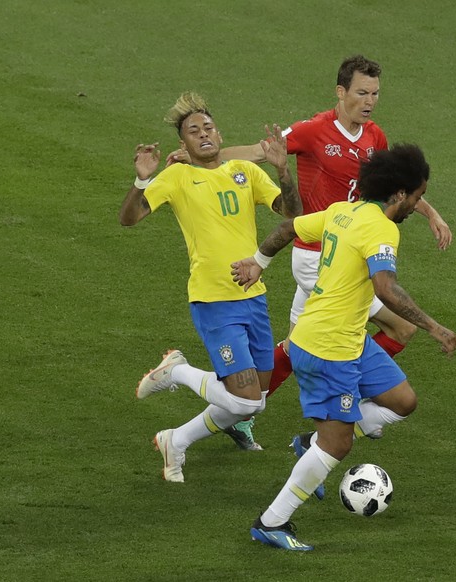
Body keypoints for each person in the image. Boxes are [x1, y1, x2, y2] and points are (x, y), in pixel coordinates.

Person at [230, 144, 456, 550]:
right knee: (338, 444)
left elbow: (289, 229)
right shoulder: (382, 228)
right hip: (326, 348)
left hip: (348, 338)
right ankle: (271, 522)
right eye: (418, 196)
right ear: (399, 194)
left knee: (403, 401)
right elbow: (385, 287)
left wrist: (257, 262)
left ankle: (309, 443)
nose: (418, 205)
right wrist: (433, 327)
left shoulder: (344, 210)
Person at [219, 54, 454, 447]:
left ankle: (240, 411)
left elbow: (395, 186)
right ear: (341, 92)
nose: (370, 101)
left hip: (343, 251)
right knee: (399, 326)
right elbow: (260, 152)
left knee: (300, 346)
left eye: (375, 93)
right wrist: (203, 158)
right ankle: (350, 403)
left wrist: (431, 213)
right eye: (362, 93)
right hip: (315, 255)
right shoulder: (314, 131)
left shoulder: (374, 137)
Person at [119, 91, 302, 482]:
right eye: (193, 131)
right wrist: (142, 179)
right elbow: (129, 218)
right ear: (182, 144)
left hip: (252, 296)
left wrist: (283, 172)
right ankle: (179, 371)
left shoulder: (245, 172)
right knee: (244, 399)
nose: (203, 134)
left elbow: (291, 214)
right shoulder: (178, 177)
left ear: (219, 134)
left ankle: (176, 440)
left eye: (208, 127)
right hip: (213, 300)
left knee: (255, 403)